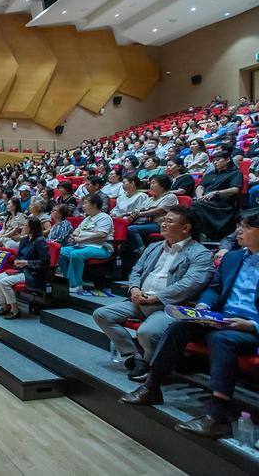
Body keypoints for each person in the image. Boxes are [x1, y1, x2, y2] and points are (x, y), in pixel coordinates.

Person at [120, 210, 259, 439]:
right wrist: (203, 307)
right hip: (223, 318)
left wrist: (252, 325)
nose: (238, 231)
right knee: (179, 326)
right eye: (238, 225)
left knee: (220, 338)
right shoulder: (233, 257)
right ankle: (152, 387)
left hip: (250, 327)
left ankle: (217, 417)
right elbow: (214, 289)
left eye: (247, 227)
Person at [93, 206, 214, 381]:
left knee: (147, 332)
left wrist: (158, 296)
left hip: (170, 306)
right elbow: (136, 271)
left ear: (186, 228)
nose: (163, 224)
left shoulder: (200, 253)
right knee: (102, 314)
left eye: (169, 221)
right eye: (163, 220)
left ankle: (152, 368)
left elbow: (191, 284)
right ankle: (134, 356)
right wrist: (134, 289)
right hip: (141, 299)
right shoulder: (154, 247)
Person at [0, 216, 49, 320]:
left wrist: (26, 263)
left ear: (32, 228)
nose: (23, 227)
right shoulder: (24, 240)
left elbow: (45, 262)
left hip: (33, 273)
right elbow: (19, 256)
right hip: (21, 269)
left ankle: (15, 310)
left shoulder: (40, 241)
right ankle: (5, 306)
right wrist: (17, 262)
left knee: (4, 282)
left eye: (25, 225)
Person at [58, 194, 114, 294]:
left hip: (101, 247)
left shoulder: (104, 217)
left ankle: (76, 285)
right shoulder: (87, 218)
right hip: (82, 245)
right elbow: (76, 230)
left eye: (85, 203)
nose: (82, 206)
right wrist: (74, 236)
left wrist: (81, 239)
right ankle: (69, 281)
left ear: (94, 205)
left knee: (76, 254)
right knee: (60, 251)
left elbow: (102, 234)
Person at [193, 151, 244, 240]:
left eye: (218, 160)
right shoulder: (210, 174)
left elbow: (235, 189)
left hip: (222, 200)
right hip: (205, 199)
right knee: (193, 204)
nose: (215, 162)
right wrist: (199, 197)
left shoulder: (235, 173)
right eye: (213, 161)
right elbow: (200, 187)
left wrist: (216, 192)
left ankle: (204, 233)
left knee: (196, 205)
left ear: (227, 160)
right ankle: (198, 232)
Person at [126, 175, 178, 253]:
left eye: (153, 183)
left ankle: (142, 251)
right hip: (147, 222)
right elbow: (141, 210)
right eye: (150, 183)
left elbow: (159, 210)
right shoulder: (150, 199)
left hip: (160, 224)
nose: (150, 185)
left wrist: (140, 214)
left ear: (162, 185)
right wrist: (133, 215)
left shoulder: (170, 197)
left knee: (132, 229)